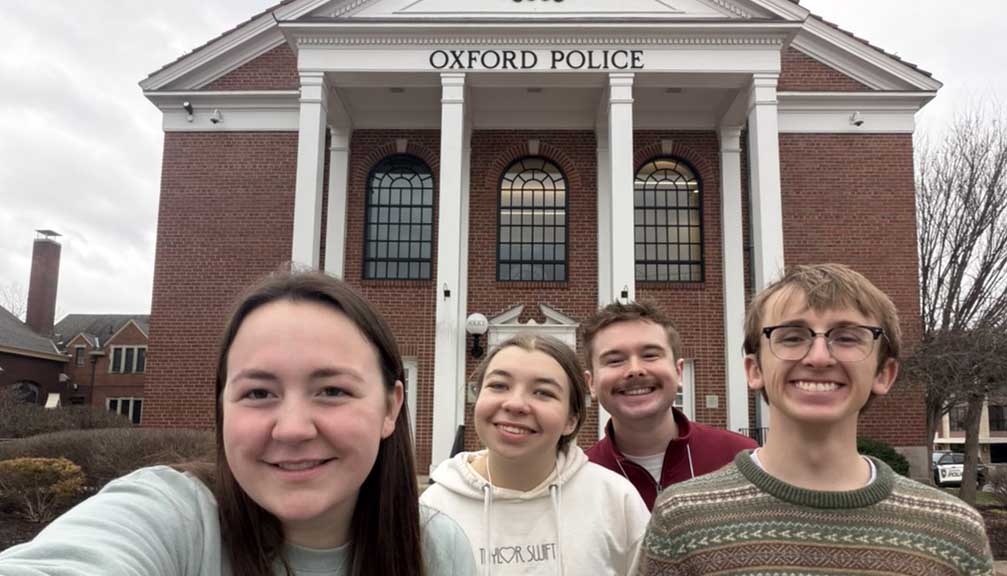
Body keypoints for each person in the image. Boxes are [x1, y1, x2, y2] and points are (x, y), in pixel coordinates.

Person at [0, 271, 476, 576]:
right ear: (223, 406)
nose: (291, 429)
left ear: (391, 408)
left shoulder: (435, 548)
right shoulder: (171, 520)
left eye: (332, 390)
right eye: (258, 393)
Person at [634, 263, 994, 575]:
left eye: (848, 337)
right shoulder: (683, 518)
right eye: (792, 337)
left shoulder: (953, 533)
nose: (819, 357)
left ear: (884, 373)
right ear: (754, 369)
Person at [421, 334, 649, 576]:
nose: (515, 404)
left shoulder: (614, 499)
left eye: (543, 392)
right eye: (498, 385)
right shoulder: (433, 510)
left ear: (571, 420)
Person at [582, 300, 757, 510]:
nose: (635, 369)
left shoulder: (741, 459)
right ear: (591, 383)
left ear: (679, 371)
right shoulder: (580, 480)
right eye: (615, 360)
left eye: (650, 355)